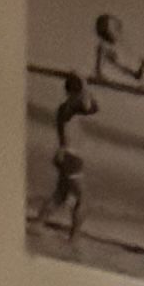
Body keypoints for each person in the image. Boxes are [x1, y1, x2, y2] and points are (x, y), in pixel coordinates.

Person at [38, 70, 96, 238]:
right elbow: (88, 105)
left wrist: (83, 85)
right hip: (71, 157)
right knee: (84, 199)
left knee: (60, 195)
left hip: (66, 156)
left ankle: (38, 223)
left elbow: (93, 107)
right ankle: (74, 237)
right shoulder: (70, 108)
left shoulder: (67, 108)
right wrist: (84, 84)